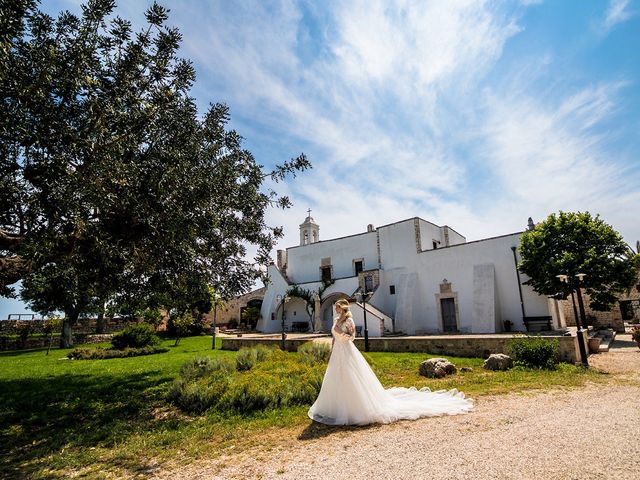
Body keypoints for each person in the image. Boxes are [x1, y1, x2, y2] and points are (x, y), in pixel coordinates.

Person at [308, 298, 473, 425]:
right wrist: (333, 345)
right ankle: (335, 408)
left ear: (342, 308)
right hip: (338, 352)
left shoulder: (348, 321)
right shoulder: (337, 320)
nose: (335, 309)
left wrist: (341, 335)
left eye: (337, 306)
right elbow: (334, 336)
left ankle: (354, 409)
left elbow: (352, 337)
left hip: (348, 352)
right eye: (335, 306)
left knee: (352, 378)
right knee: (337, 379)